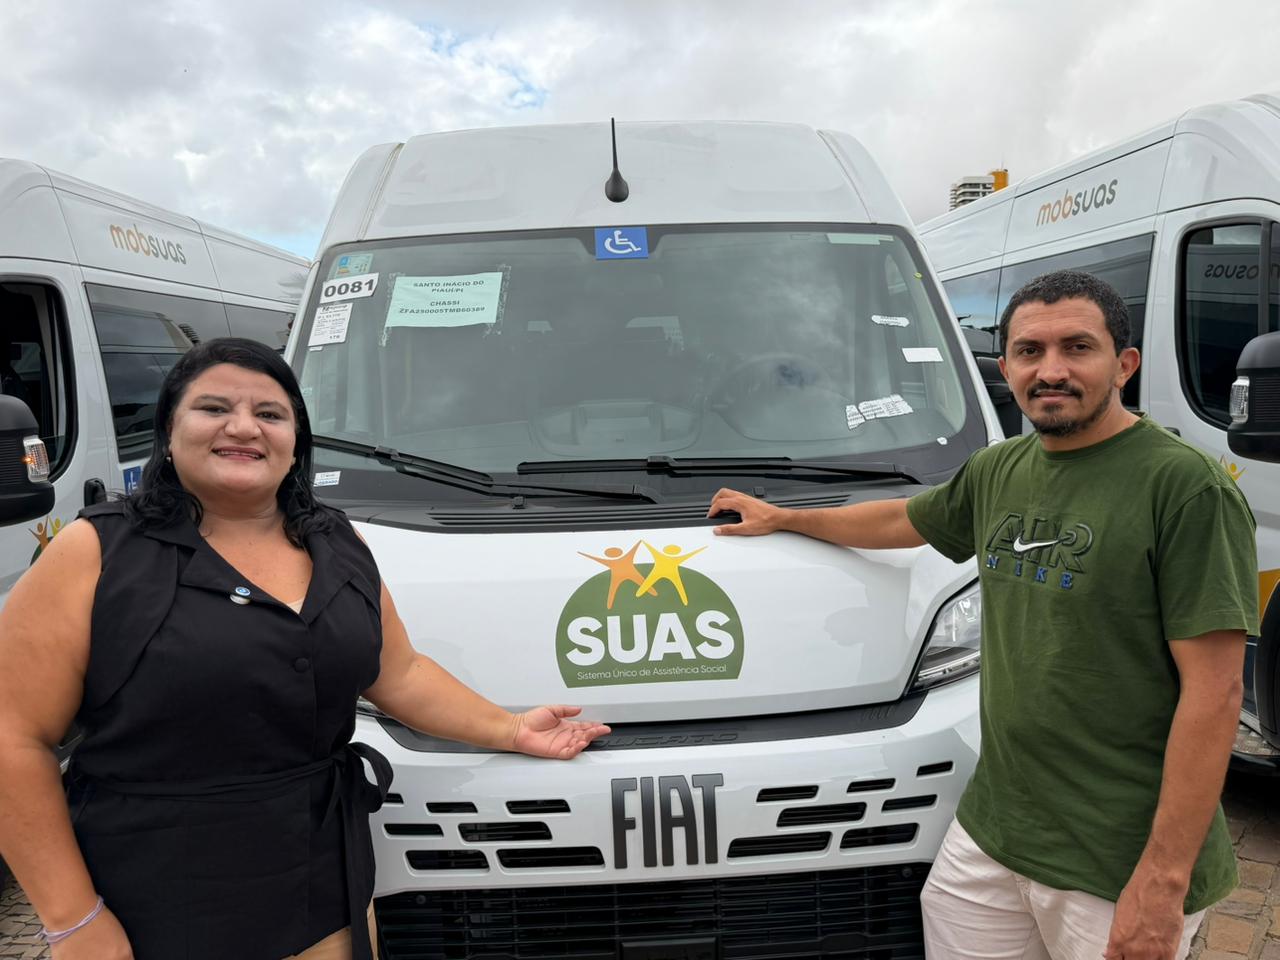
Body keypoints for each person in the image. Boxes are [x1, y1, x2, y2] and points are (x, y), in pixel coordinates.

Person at [0, 338, 611, 960]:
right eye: (214, 408)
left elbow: (398, 673)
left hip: (324, 891)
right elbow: (13, 738)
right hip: (150, 908)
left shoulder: (336, 540)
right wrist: (73, 920)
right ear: (168, 429)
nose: (244, 427)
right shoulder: (96, 552)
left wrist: (512, 729)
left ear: (295, 440)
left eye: (269, 413)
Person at [707, 270, 1256, 960]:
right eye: (1029, 351)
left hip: (1116, 858)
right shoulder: (1001, 468)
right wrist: (786, 517)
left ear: (1124, 364)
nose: (1050, 371)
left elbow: (1215, 693)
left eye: (1076, 348)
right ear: (1007, 369)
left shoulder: (1185, 488)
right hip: (996, 830)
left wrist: (1164, 880)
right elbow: (905, 520)